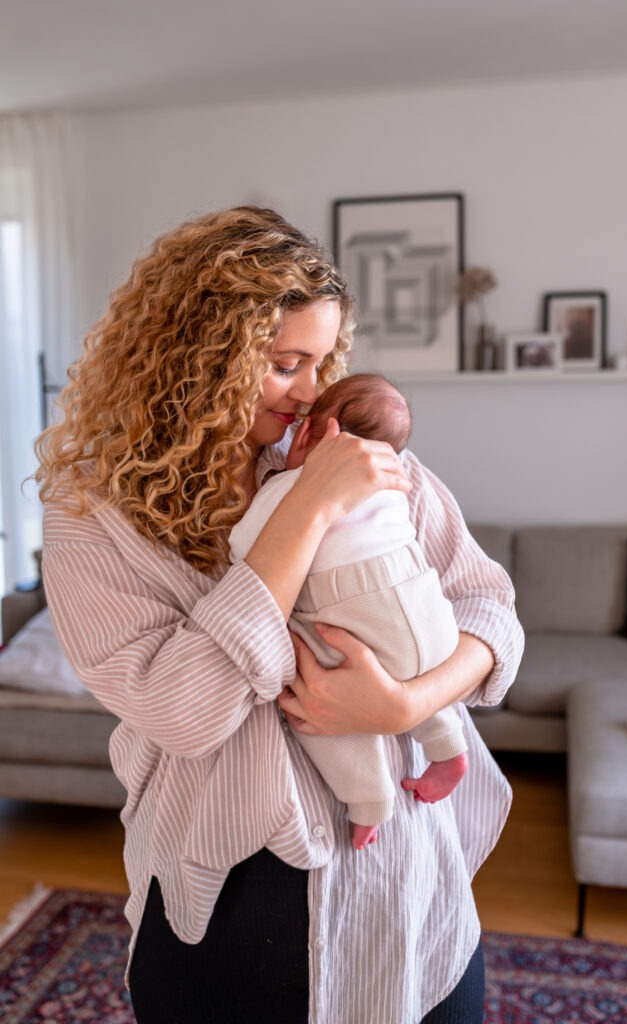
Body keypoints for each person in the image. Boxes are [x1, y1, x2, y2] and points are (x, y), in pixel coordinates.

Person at [35, 206, 524, 1024]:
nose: (310, 391)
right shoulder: (93, 512)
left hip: (409, 892)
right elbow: (185, 711)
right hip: (225, 907)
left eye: (321, 360)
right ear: (194, 361)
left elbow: (489, 606)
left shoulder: (354, 452)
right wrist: (306, 510)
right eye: (284, 363)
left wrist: (405, 703)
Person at [229, 372, 469, 852]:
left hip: (357, 613)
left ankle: (368, 802)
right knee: (414, 673)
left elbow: (243, 550)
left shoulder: (295, 489)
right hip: (431, 618)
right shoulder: (396, 481)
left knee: (315, 703)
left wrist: (288, 489)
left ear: (316, 434)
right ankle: (449, 749)